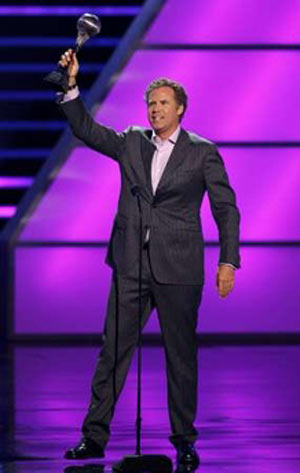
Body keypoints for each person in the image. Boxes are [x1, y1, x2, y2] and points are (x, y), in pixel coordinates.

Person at [58, 49, 241, 469]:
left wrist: (228, 260)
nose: (155, 109)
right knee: (113, 352)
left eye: (162, 103)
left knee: (180, 356)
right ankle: (94, 437)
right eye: (151, 104)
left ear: (180, 109)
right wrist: (70, 87)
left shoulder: (202, 152)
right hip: (130, 264)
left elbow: (225, 209)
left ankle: (184, 441)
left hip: (179, 266)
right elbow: (87, 129)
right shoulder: (131, 142)